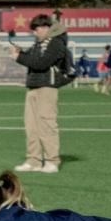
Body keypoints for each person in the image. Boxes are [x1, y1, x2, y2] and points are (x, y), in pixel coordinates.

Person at [11, 14, 69, 174]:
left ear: (45, 28)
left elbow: (42, 63)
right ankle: (33, 160)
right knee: (31, 126)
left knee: (46, 124)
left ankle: (52, 161)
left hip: (47, 88)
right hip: (33, 87)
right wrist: (21, 53)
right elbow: (32, 59)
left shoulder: (56, 43)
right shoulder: (39, 43)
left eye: (36, 30)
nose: (35, 33)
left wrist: (19, 58)